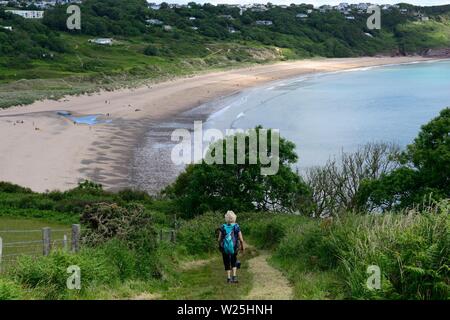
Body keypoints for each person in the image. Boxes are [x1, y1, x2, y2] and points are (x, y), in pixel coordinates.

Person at [218, 210, 245, 283]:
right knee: (234, 260)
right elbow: (241, 239)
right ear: (234, 218)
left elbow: (219, 239)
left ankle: (229, 278)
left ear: (226, 218)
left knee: (226, 262)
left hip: (225, 248)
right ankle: (234, 277)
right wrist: (242, 247)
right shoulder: (236, 226)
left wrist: (221, 246)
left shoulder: (222, 227)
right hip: (234, 247)